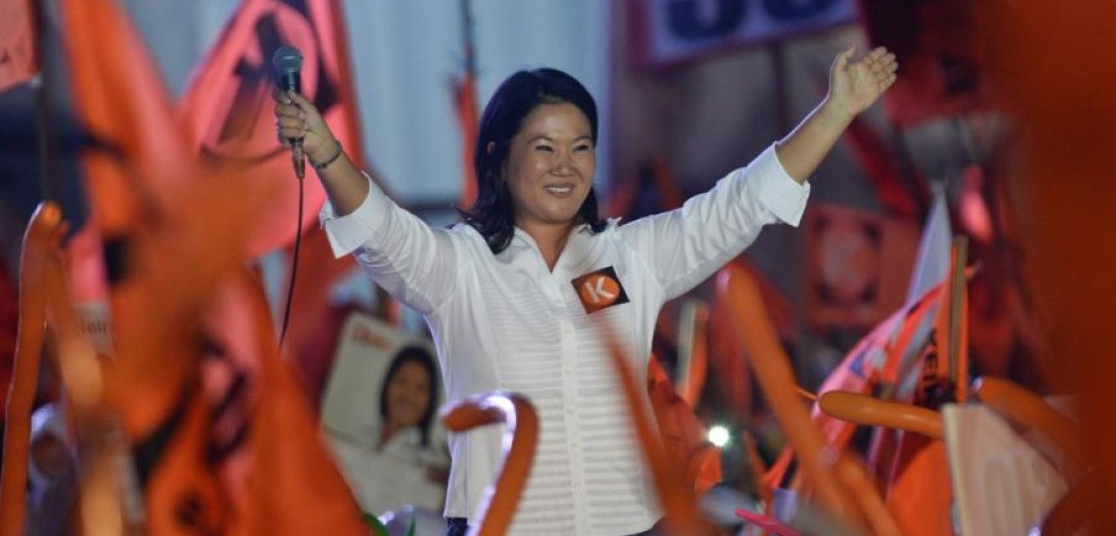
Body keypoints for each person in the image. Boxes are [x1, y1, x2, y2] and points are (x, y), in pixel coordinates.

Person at [275, 46, 898, 535]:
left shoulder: (632, 256)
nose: (564, 166)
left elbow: (743, 203)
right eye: (543, 148)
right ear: (498, 157)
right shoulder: (459, 267)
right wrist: (328, 152)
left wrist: (837, 108)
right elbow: (382, 231)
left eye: (580, 148)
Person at [329, 343, 448, 516]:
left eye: (420, 388)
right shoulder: (357, 436)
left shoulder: (432, 466)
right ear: (388, 384)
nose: (408, 395)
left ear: (430, 400)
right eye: (402, 381)